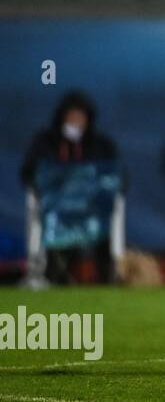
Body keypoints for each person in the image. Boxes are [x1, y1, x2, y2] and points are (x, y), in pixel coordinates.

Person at [20, 90, 124, 287]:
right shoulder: (45, 142)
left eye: (80, 117)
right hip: (57, 210)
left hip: (92, 212)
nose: (75, 121)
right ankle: (55, 276)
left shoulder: (101, 145)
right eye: (71, 116)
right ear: (62, 117)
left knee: (104, 225)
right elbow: (30, 173)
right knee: (55, 226)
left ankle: (106, 278)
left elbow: (117, 175)